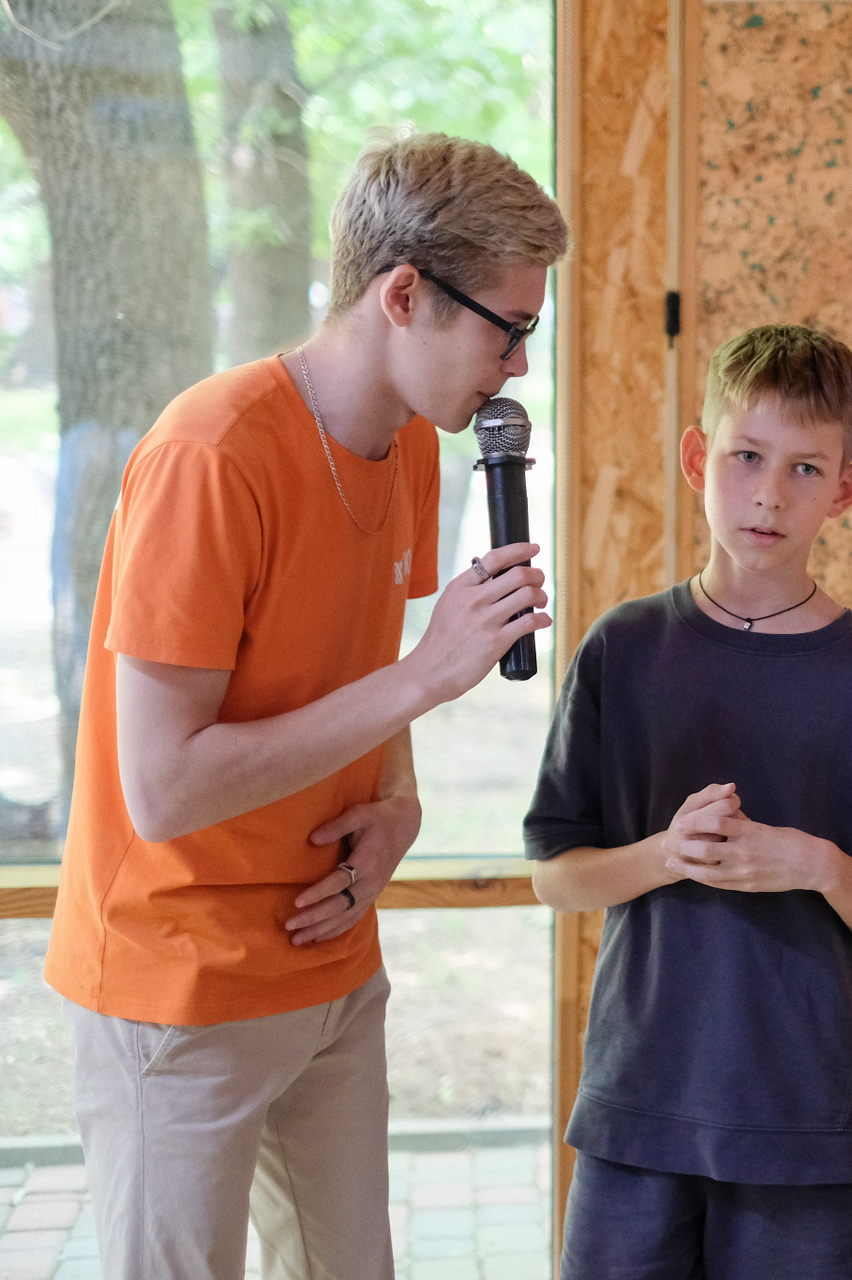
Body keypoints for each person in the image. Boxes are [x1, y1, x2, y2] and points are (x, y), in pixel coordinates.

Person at [43, 131, 567, 1280]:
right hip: (178, 989)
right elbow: (163, 786)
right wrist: (427, 673)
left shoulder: (411, 446)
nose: (521, 366)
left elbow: (356, 674)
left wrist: (400, 804)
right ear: (403, 297)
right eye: (509, 329)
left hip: (330, 967)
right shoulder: (211, 453)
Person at [525, 323, 852, 1280]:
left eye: (806, 469)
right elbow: (556, 877)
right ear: (696, 459)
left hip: (810, 1123)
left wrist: (816, 865)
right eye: (746, 457)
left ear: (846, 488)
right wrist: (664, 854)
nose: (768, 494)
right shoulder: (623, 648)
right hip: (639, 1106)